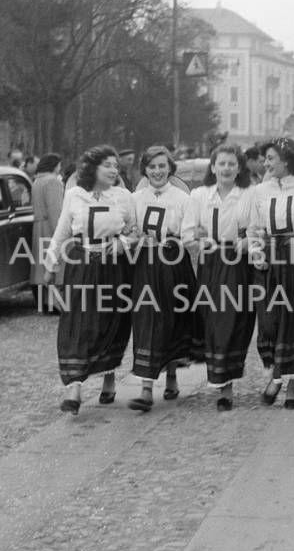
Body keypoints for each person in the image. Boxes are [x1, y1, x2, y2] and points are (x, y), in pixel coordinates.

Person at [44, 145, 136, 414]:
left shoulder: (123, 196)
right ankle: (75, 388)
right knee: (77, 321)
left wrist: (122, 242)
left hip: (114, 266)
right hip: (82, 262)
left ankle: (109, 378)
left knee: (111, 321)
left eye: (116, 166)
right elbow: (62, 232)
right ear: (92, 167)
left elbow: (135, 230)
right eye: (107, 165)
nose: (113, 170)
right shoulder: (74, 195)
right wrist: (51, 264)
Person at [248, 136, 294, 410]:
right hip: (268, 258)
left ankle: (286, 384)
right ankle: (277, 374)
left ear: (287, 160)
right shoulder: (261, 190)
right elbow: (254, 228)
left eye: (270, 159)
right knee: (269, 321)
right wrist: (256, 252)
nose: (265, 163)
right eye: (265, 158)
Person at [182, 144, 257, 411]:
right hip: (211, 263)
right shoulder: (199, 195)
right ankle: (220, 379)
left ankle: (227, 382)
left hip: (239, 264)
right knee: (214, 319)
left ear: (239, 168)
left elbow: (256, 229)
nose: (226, 169)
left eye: (232, 164)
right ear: (212, 167)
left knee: (235, 320)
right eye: (221, 163)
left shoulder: (249, 194)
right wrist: (202, 244)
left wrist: (247, 242)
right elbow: (188, 233)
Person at [128, 145, 199, 412]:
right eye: (151, 167)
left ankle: (171, 375)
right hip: (145, 266)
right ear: (144, 170)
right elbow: (129, 229)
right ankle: (146, 389)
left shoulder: (183, 199)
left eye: (161, 166)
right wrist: (134, 238)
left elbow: (189, 235)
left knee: (171, 321)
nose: (157, 172)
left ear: (170, 168)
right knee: (146, 321)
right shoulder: (136, 198)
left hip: (173, 265)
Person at [30, 153, 65, 313]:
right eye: (59, 164)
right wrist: (61, 232)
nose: (60, 168)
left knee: (41, 265)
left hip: (38, 226)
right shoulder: (53, 182)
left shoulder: (37, 181)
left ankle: (45, 302)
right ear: (54, 165)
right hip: (50, 227)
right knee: (54, 263)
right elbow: (55, 209)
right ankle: (55, 303)